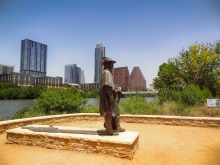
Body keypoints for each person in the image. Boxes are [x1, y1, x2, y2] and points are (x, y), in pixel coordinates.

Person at [99, 57, 125, 135]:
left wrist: (116, 92)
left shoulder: (109, 72)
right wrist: (110, 96)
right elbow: (107, 86)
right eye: (111, 63)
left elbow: (111, 86)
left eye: (112, 63)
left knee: (116, 112)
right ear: (107, 64)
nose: (112, 65)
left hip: (112, 96)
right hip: (108, 98)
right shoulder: (106, 72)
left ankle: (118, 127)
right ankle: (109, 129)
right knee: (109, 113)